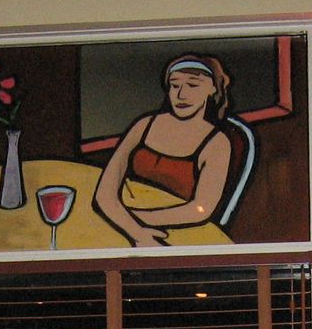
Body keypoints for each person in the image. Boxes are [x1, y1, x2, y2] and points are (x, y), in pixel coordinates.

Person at [95, 54, 236, 247]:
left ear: (212, 89)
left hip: (180, 235)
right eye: (175, 85)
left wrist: (133, 218)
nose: (181, 94)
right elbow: (104, 193)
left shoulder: (217, 143)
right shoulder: (144, 125)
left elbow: (200, 209)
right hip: (123, 224)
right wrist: (135, 230)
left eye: (193, 85)